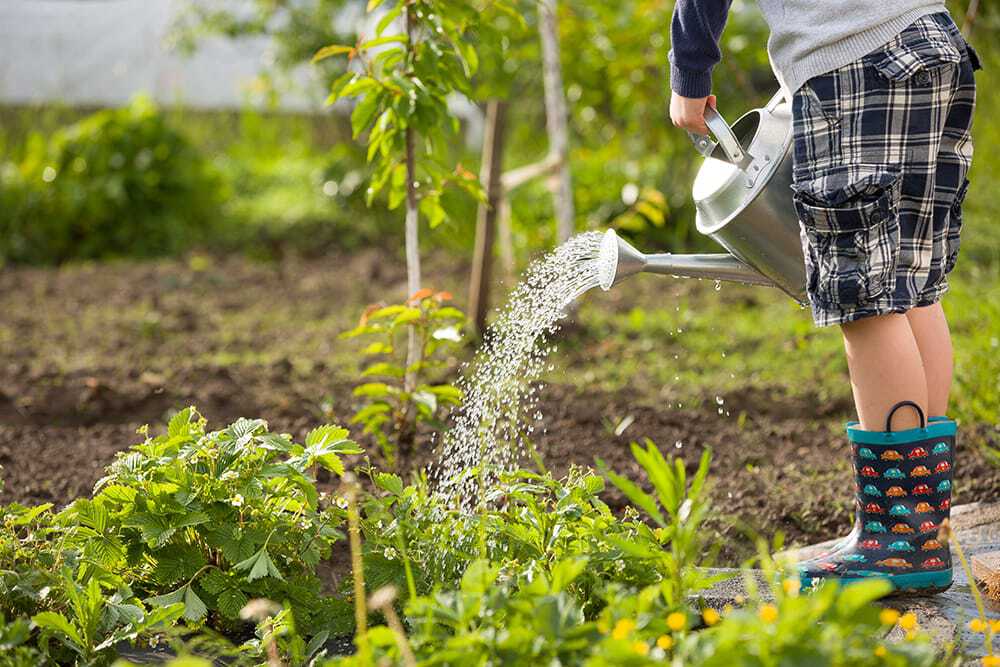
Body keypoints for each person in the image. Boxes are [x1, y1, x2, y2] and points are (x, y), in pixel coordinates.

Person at [668, 1, 979, 592]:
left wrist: (690, 72)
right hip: (934, 44)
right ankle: (917, 529)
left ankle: (898, 543)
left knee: (866, 300)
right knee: (913, 289)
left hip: (852, 59)